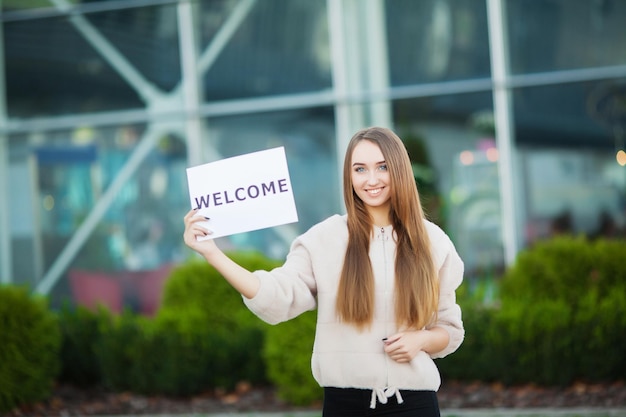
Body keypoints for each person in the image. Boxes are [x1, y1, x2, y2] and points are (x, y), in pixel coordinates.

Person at [183, 126, 464, 416]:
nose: (371, 179)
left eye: (382, 167)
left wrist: (421, 340)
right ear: (349, 176)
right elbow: (278, 296)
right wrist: (213, 254)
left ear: (400, 170)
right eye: (359, 169)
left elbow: (449, 329)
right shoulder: (324, 239)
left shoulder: (433, 242)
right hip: (344, 406)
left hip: (416, 405)